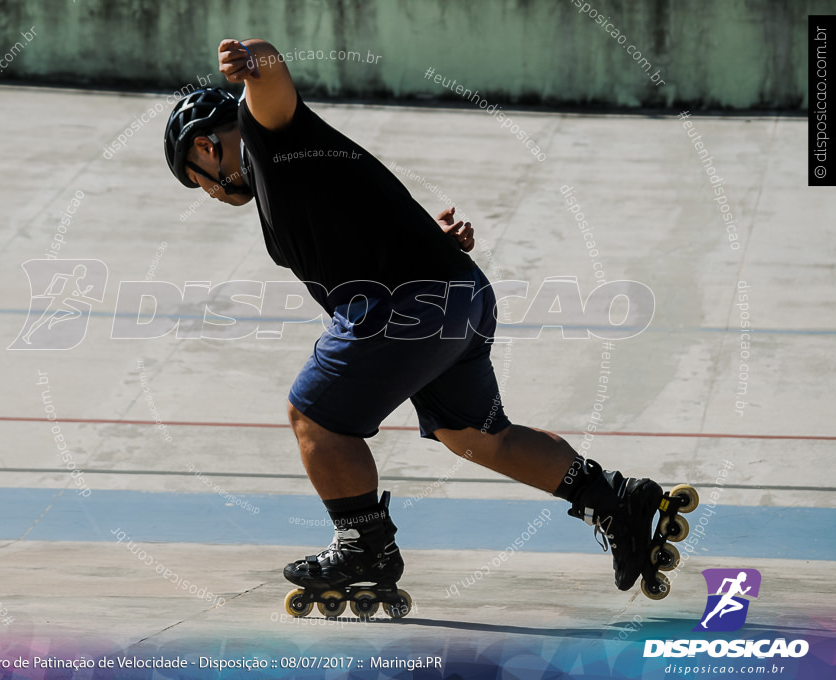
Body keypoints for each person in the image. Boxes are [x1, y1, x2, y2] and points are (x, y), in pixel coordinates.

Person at [163, 38, 684, 611]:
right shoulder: (285, 181)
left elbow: (271, 82)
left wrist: (253, 60)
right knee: (479, 436)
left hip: (407, 306)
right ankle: (616, 501)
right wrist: (423, 245)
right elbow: (363, 221)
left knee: (313, 417)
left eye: (197, 179)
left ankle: (363, 546)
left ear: (207, 148)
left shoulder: (264, 138)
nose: (208, 193)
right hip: (456, 296)